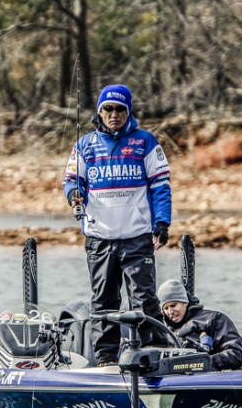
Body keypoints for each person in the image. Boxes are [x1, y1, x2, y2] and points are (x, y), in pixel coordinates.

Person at [62, 84, 172, 365]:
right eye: (108, 109)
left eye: (120, 109)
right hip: (100, 237)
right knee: (103, 301)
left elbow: (161, 185)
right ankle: (105, 358)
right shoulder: (84, 145)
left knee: (144, 299)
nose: (114, 115)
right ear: (100, 112)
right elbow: (73, 181)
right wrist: (74, 194)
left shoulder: (146, 142)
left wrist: (162, 223)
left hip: (137, 237)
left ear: (128, 112)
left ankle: (155, 352)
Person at [157, 279, 242, 370]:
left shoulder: (213, 320)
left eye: (173, 305)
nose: (170, 312)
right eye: (166, 308)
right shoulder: (163, 331)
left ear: (185, 302)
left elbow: (237, 354)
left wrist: (205, 361)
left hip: (211, 378)